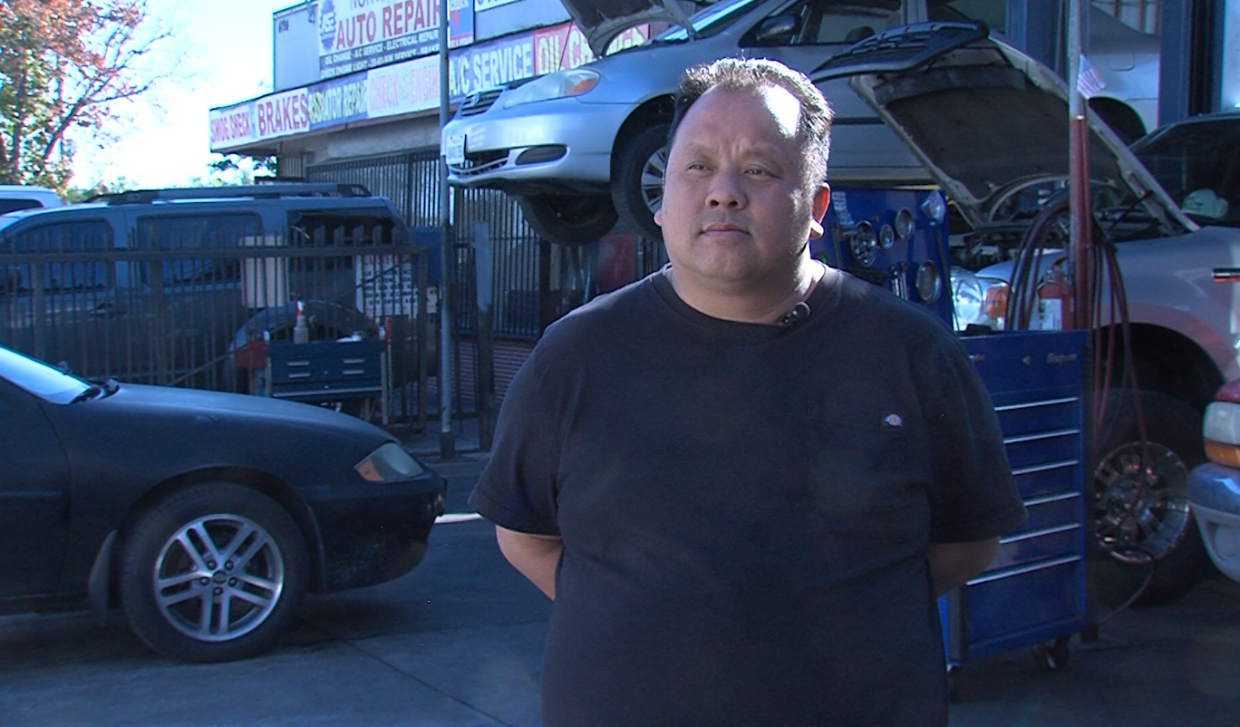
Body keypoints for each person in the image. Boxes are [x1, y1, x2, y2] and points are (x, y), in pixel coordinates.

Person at [468, 57, 1026, 726]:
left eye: (759, 170)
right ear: (663, 193)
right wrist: (655, 619)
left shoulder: (914, 353)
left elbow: (967, 542)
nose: (723, 192)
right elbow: (524, 534)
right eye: (696, 167)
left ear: (817, 205)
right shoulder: (573, 356)